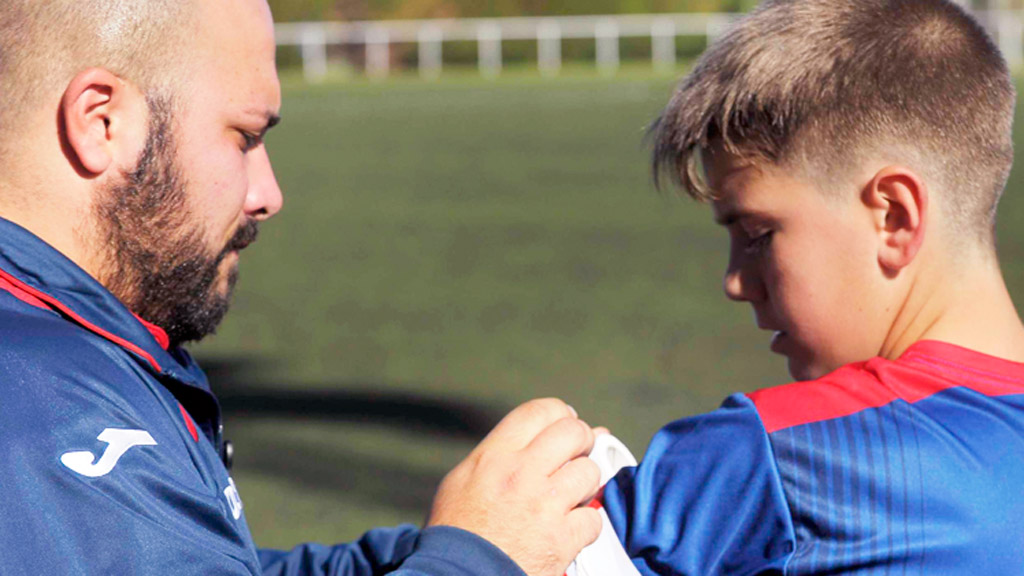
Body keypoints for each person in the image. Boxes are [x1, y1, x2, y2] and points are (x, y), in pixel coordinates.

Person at [0, 1, 604, 575]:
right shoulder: (45, 420)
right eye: (245, 137)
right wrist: (479, 560)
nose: (268, 194)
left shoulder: (60, 351)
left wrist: (451, 542)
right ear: (101, 121)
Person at [591, 0, 1024, 573]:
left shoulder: (780, 461)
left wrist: (466, 546)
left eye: (758, 233)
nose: (736, 282)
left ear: (894, 216)